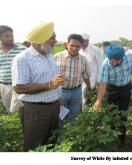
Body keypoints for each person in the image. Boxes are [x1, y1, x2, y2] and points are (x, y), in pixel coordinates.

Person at [12, 22, 67, 151]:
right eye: (52, 38)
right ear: (40, 40)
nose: (55, 41)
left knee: (51, 142)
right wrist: (49, 85)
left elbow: (53, 82)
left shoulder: (48, 56)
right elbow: (19, 87)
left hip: (54, 107)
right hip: (36, 110)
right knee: (35, 145)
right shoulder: (23, 58)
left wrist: (58, 99)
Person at [93, 44, 132, 144]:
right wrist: (98, 100)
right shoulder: (106, 64)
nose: (113, 63)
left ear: (122, 57)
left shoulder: (129, 57)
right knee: (111, 112)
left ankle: (121, 138)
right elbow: (102, 84)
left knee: (123, 113)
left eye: (116, 60)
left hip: (126, 88)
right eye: (111, 60)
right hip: (112, 89)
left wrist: (127, 78)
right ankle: (111, 135)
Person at [54, 34, 92, 119]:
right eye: (72, 45)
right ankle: (62, 132)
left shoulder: (83, 59)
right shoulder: (57, 57)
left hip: (76, 91)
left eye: (78, 46)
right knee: (61, 117)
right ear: (67, 44)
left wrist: (89, 89)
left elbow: (86, 76)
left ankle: (73, 132)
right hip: (61, 92)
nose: (74, 48)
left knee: (75, 115)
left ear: (81, 46)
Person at [0, 25, 26, 113]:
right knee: (9, 110)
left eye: (12, 36)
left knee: (20, 110)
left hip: (20, 85)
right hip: (4, 86)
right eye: (7, 36)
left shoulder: (22, 50)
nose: (10, 38)